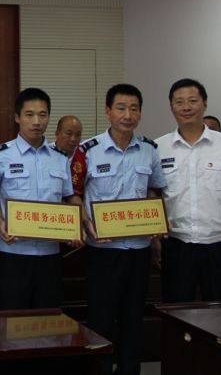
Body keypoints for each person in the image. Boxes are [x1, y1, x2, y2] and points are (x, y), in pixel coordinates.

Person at [82, 83, 164, 375]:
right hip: (103, 250)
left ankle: (130, 370)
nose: (127, 115)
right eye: (121, 108)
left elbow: (154, 189)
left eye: (134, 108)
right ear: (108, 111)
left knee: (133, 316)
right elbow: (74, 195)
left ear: (140, 113)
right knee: (101, 317)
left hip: (139, 248)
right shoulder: (88, 151)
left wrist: (155, 220)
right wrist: (87, 223)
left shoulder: (149, 150)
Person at [153, 79, 221, 302]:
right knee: (177, 311)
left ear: (204, 104)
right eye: (179, 102)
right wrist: (155, 239)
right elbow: (154, 195)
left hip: (220, 245)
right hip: (176, 246)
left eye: (192, 101)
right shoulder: (159, 147)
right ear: (171, 107)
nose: (186, 107)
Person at [0, 88, 82, 310]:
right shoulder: (0, 155)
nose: (36, 121)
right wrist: (0, 221)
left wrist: (78, 226)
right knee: (13, 318)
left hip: (50, 253)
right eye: (29, 114)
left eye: (42, 114)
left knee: (47, 317)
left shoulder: (60, 158)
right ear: (17, 117)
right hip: (13, 252)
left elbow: (69, 198)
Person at [54, 114, 86, 195]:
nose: (73, 139)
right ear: (57, 134)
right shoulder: (47, 154)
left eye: (78, 135)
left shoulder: (85, 156)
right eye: (69, 134)